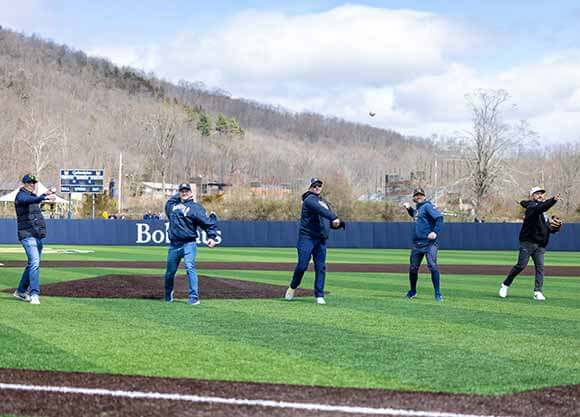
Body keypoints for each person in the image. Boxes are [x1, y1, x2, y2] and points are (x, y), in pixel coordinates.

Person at [284, 178, 344, 305]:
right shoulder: (309, 200)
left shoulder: (324, 202)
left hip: (321, 239)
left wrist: (336, 224)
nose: (317, 188)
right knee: (302, 265)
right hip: (307, 238)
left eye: (319, 185)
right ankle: (293, 287)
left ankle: (319, 295)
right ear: (310, 187)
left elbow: (326, 218)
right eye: (315, 186)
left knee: (320, 267)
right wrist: (334, 217)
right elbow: (321, 211)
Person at [499, 187, 561, 301]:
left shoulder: (544, 213)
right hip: (528, 242)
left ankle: (537, 291)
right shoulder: (532, 207)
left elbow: (547, 229)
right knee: (521, 266)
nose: (540, 195)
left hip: (540, 245)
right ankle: (505, 285)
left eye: (542, 194)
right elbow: (540, 207)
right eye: (537, 193)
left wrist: (555, 229)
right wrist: (553, 200)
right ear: (532, 196)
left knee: (540, 268)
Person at [164, 183, 218, 305]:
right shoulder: (171, 206)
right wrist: (177, 196)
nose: (184, 193)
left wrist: (211, 236)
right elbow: (169, 201)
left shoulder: (195, 207)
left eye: (187, 191)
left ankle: (193, 297)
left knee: (190, 267)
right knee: (169, 272)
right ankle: (168, 295)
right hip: (174, 244)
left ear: (191, 193)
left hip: (189, 243)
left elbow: (207, 223)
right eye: (182, 191)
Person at [13, 174, 56, 305]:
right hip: (27, 234)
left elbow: (33, 201)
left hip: (36, 235)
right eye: (30, 182)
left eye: (34, 182)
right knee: (35, 263)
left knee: (32, 264)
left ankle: (20, 291)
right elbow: (28, 200)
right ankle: (34, 293)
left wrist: (44, 194)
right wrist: (43, 197)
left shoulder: (32, 196)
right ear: (24, 183)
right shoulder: (20, 196)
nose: (32, 184)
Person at [403, 188, 444, 301]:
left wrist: (435, 232)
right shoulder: (418, 209)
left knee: (432, 266)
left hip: (429, 243)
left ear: (424, 196)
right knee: (413, 268)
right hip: (417, 244)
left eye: (421, 195)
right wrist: (409, 209)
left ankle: (438, 293)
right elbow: (416, 215)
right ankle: (412, 291)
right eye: (417, 195)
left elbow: (439, 218)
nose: (419, 196)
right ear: (414, 197)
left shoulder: (427, 206)